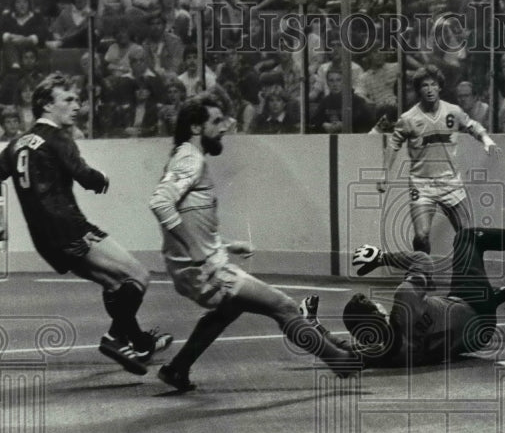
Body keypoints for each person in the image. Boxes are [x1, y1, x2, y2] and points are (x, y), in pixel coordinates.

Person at [148, 92, 362, 392]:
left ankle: (177, 369)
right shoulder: (190, 159)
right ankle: (339, 360)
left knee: (228, 310)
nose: (224, 128)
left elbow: (189, 221)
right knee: (284, 306)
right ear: (196, 128)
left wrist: (225, 245)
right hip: (205, 271)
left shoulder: (186, 157)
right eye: (217, 121)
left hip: (196, 267)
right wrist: (200, 253)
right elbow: (160, 203)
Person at [0, 73, 172, 374]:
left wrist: (1, 224)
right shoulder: (58, 137)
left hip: (45, 242)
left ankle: (138, 342)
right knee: (139, 275)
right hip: (70, 229)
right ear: (46, 105)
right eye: (68, 99)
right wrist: (104, 179)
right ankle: (115, 337)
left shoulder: (17, 143)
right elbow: (86, 177)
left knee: (113, 283)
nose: (77, 105)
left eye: (77, 99)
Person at [332, 225, 505, 367]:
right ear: (378, 312)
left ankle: (490, 299)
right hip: (473, 306)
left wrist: (310, 326)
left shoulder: (383, 356)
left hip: (475, 338)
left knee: (443, 307)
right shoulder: (405, 300)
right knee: (468, 236)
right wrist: (382, 257)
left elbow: (342, 351)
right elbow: (422, 260)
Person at [378, 64, 499, 254]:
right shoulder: (408, 118)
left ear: (440, 87)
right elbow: (393, 145)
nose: (429, 89)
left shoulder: (453, 111)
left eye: (433, 84)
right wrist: (385, 173)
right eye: (424, 85)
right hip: (422, 184)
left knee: (468, 232)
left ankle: (468, 277)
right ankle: (422, 274)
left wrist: (486, 139)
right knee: (421, 234)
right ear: (419, 89)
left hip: (450, 182)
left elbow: (471, 125)